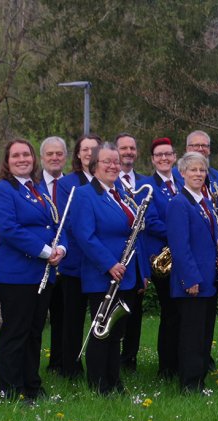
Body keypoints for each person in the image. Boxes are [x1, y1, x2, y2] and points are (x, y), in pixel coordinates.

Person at [0, 139, 65, 402]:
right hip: (16, 273)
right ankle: (10, 388)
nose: (22, 159)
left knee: (34, 332)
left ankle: (32, 385)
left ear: (33, 159)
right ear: (7, 162)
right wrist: (46, 251)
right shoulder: (2, 190)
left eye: (26, 155)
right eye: (16, 155)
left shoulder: (38, 190)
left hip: (42, 273)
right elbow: (9, 230)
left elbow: (55, 225)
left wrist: (61, 249)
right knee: (16, 331)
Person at [72, 143, 149, 395]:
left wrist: (141, 271)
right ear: (94, 165)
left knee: (116, 333)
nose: (113, 166)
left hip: (126, 273)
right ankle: (98, 385)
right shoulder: (85, 194)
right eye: (107, 161)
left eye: (116, 162)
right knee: (101, 331)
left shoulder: (121, 194)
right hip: (103, 273)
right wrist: (109, 264)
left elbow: (135, 234)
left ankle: (114, 380)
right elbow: (85, 235)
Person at [167, 152, 218, 392]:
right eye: (193, 170)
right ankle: (190, 385)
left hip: (209, 281)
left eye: (202, 170)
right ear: (182, 173)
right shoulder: (178, 203)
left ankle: (199, 380)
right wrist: (190, 278)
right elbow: (179, 246)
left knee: (204, 336)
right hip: (193, 282)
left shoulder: (206, 201)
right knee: (192, 338)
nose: (198, 174)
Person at [57, 134, 102, 379]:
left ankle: (100, 364)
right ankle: (70, 368)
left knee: (100, 317)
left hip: (99, 262)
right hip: (76, 261)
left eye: (94, 149)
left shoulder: (108, 180)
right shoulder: (68, 183)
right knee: (72, 318)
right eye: (85, 149)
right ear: (77, 154)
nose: (89, 153)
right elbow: (70, 222)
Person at [140, 137, 179, 379]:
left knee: (184, 313)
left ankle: (182, 361)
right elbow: (151, 222)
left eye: (168, 154)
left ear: (174, 156)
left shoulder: (185, 181)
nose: (164, 158)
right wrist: (183, 232)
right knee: (170, 313)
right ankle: (166, 367)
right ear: (153, 160)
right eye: (159, 155)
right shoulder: (147, 186)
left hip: (184, 257)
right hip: (163, 259)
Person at [115, 132, 149, 371]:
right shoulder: (109, 181)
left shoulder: (145, 182)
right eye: (123, 148)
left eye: (132, 148)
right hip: (115, 260)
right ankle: (111, 361)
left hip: (138, 260)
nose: (128, 152)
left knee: (134, 316)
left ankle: (129, 361)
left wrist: (144, 270)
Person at [38, 136, 68, 374]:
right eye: (50, 154)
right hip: (39, 262)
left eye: (59, 154)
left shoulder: (73, 187)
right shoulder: (32, 185)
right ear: (42, 158)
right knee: (36, 318)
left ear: (65, 157)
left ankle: (59, 363)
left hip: (66, 262)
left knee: (63, 317)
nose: (55, 158)